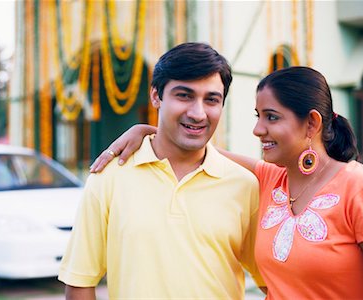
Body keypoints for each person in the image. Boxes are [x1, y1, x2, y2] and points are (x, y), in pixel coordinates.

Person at [91, 66, 363, 299]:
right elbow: (200, 149)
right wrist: (147, 131)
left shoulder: (356, 186)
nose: (258, 130)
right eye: (258, 116)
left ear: (312, 124)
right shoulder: (271, 180)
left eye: (272, 117)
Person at [58, 42, 266, 299]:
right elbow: (79, 281)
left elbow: (272, 281)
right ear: (156, 96)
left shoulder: (245, 185)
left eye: (211, 100)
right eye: (184, 95)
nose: (198, 113)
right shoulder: (109, 176)